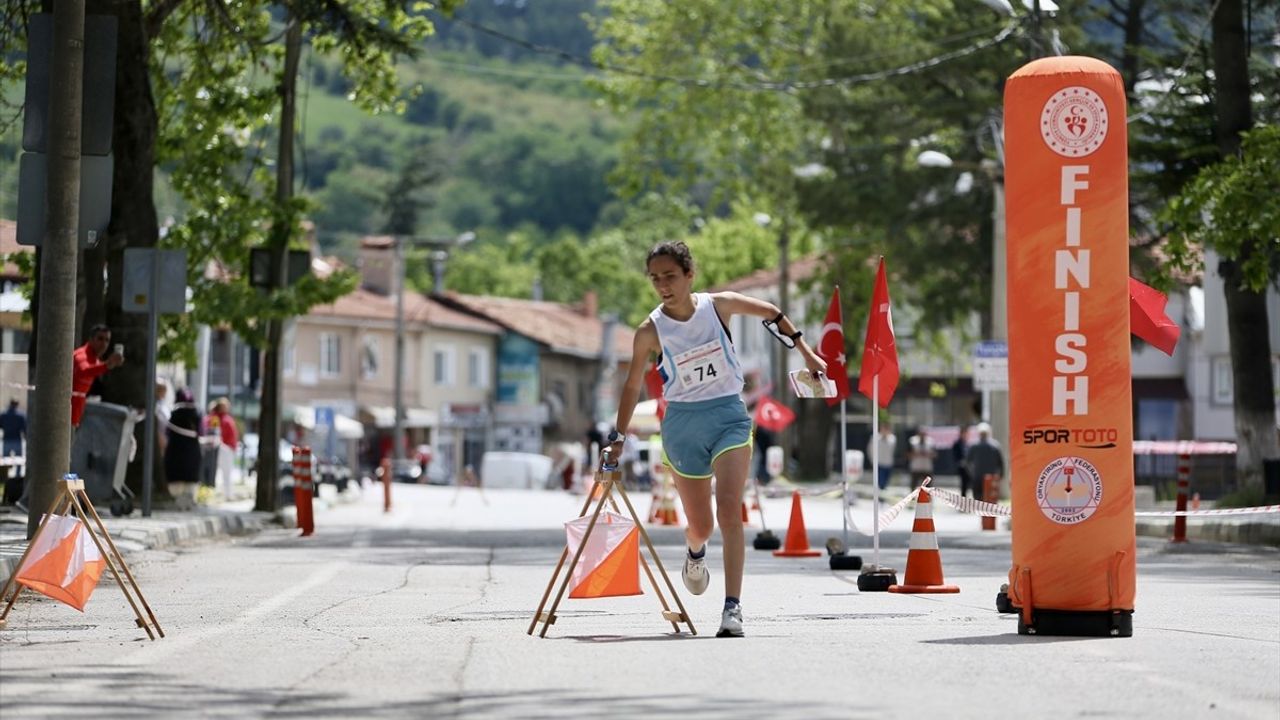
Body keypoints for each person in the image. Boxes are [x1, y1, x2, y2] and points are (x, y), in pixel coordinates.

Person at [607, 241, 826, 638]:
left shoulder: (718, 306)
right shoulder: (649, 331)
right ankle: (695, 552)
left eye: (670, 276)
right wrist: (618, 437)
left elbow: (773, 313)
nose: (663, 285)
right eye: (655, 278)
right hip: (682, 425)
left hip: (728, 417)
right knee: (702, 526)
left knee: (729, 509)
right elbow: (631, 386)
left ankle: (732, 608)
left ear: (690, 275)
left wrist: (807, 353)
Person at [73, 324, 124, 428]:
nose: (104, 344)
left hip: (75, 417)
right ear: (91, 339)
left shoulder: (96, 361)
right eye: (100, 339)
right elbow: (82, 371)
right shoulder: (82, 354)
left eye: (107, 340)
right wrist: (107, 365)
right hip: (65, 415)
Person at [165, 388, 203, 509]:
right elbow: (201, 431)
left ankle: (178, 504)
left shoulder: (174, 412)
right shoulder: (197, 412)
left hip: (175, 452)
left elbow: (167, 432)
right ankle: (189, 504)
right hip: (192, 451)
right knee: (190, 483)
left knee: (176, 485)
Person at [965, 422, 1004, 502]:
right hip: (991, 477)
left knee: (978, 501)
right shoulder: (995, 446)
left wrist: (972, 473)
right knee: (990, 501)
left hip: (977, 477)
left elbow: (967, 462)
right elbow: (1001, 463)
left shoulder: (974, 446)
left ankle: (981, 514)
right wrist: (1001, 475)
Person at [1, 399, 26, 507]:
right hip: (17, 439)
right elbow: (24, 428)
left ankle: (4, 477)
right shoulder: (21, 415)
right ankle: (17, 475)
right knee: (19, 460)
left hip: (7, 439)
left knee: (5, 462)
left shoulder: (3, 414)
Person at [868, 423, 896, 491]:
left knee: (885, 482)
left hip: (888, 463)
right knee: (880, 482)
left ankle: (882, 495)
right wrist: (872, 461)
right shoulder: (875, 437)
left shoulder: (892, 438)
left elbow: (891, 448)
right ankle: (880, 497)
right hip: (879, 463)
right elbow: (870, 449)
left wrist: (885, 437)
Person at [952, 424, 973, 498]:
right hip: (961, 466)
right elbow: (955, 455)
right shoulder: (957, 443)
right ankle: (963, 498)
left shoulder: (967, 443)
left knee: (969, 483)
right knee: (964, 483)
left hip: (968, 466)